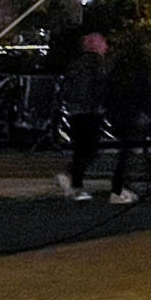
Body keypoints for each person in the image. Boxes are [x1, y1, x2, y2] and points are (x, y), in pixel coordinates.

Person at [104, 34, 151, 206]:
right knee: (129, 152)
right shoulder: (140, 67)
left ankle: (121, 186)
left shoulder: (120, 67)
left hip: (120, 113)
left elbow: (111, 88)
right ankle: (120, 187)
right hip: (133, 113)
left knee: (126, 151)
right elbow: (146, 90)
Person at [56, 29, 109, 200]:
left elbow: (67, 87)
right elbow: (101, 86)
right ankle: (74, 181)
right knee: (90, 149)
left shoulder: (76, 64)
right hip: (91, 110)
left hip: (75, 110)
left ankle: (72, 181)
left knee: (80, 148)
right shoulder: (99, 64)